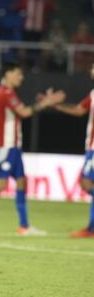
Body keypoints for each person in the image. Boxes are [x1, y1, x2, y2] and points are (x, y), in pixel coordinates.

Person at [0, 62, 65, 235]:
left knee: (21, 183)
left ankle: (24, 226)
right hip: (7, 146)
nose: (21, 77)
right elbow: (25, 112)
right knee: (1, 183)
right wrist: (46, 102)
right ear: (8, 74)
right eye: (18, 74)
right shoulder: (6, 93)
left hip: (12, 147)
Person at [52, 63, 94, 237]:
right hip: (90, 147)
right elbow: (79, 110)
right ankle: (91, 229)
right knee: (87, 183)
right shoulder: (93, 94)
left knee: (85, 182)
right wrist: (57, 105)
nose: (92, 70)